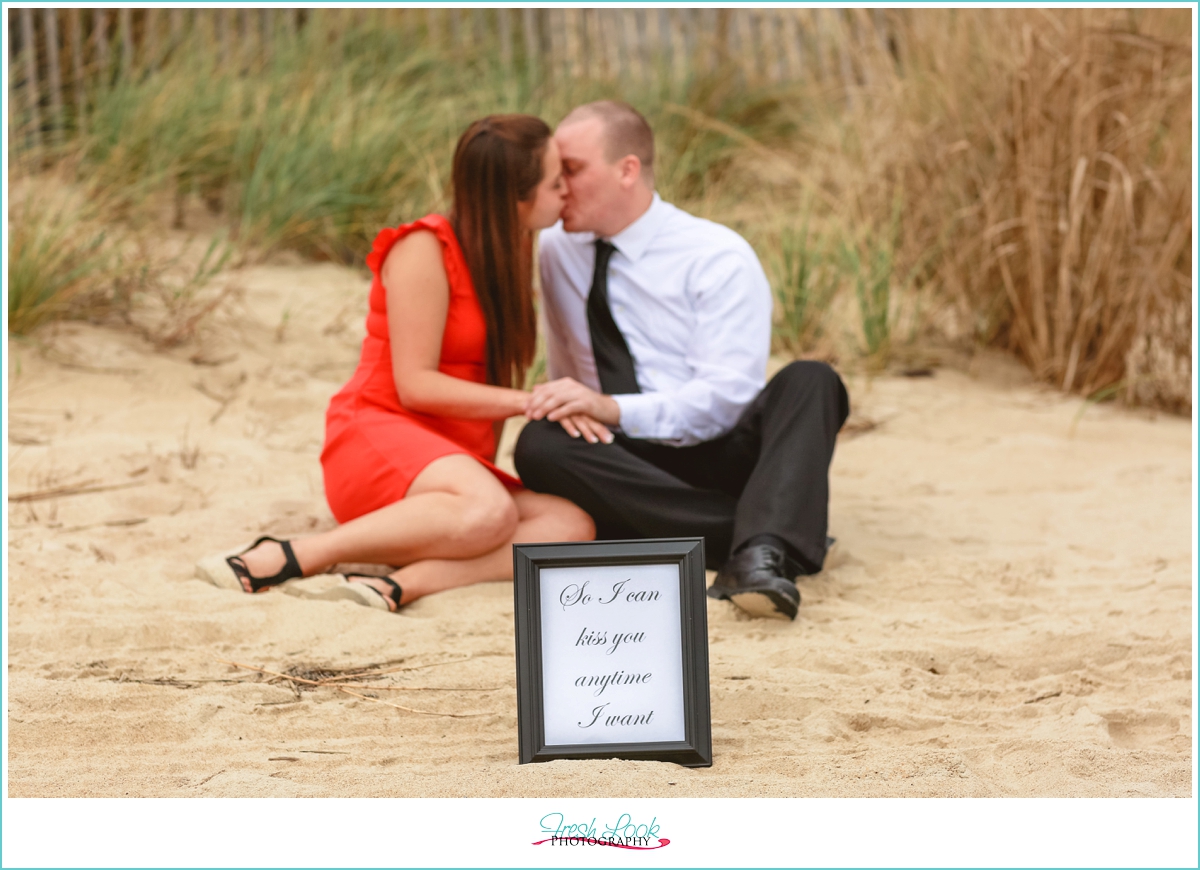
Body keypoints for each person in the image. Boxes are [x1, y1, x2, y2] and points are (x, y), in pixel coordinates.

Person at [196, 115, 595, 611]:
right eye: (556, 183)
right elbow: (415, 386)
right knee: (487, 511)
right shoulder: (424, 248)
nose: (566, 194)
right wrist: (533, 402)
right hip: (377, 436)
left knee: (571, 526)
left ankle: (403, 585)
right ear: (514, 196)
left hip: (449, 471)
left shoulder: (513, 253)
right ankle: (297, 553)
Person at [514, 101, 850, 622]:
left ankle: (756, 549)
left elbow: (725, 400)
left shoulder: (716, 255)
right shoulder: (556, 248)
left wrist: (610, 407)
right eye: (555, 174)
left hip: (717, 449)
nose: (560, 187)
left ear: (627, 170)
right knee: (539, 443)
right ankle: (764, 532)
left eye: (573, 170)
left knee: (812, 379)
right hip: (623, 460)